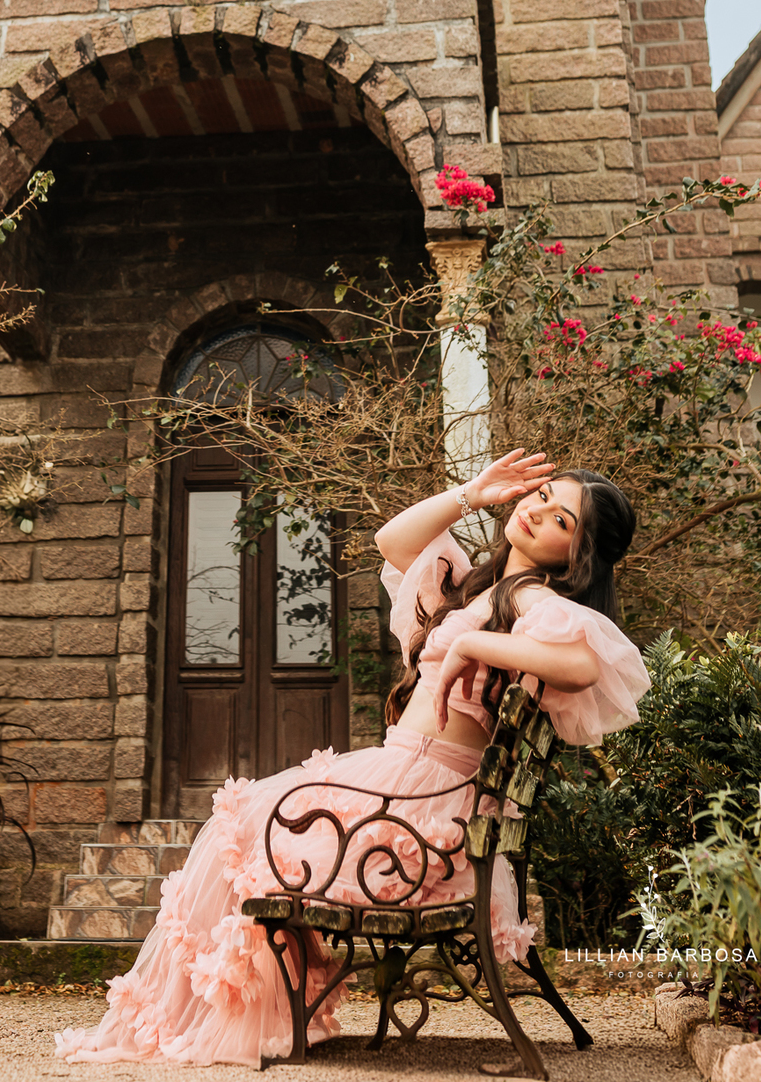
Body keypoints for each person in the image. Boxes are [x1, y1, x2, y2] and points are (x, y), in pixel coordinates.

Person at [56, 450, 651, 1065]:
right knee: (245, 826)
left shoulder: (529, 600)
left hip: (423, 810)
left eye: (560, 519)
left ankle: (240, 1019)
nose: (537, 510)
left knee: (245, 827)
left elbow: (583, 665)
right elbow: (391, 540)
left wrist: (471, 640)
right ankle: (243, 1016)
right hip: (405, 786)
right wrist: (474, 492)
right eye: (542, 494)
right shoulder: (484, 586)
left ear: (576, 555)